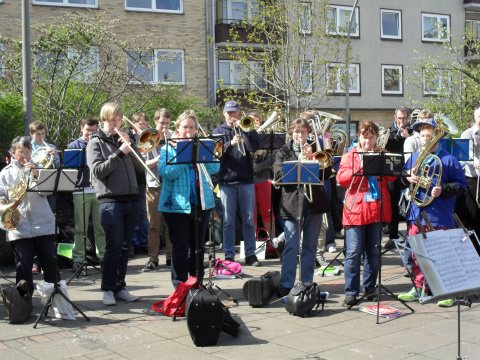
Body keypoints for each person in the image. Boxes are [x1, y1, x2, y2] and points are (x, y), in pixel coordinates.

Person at [398, 117, 466, 307]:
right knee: (417, 253)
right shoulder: (413, 158)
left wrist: (442, 190)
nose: (426, 139)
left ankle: (445, 290)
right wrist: (407, 178)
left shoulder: (449, 159)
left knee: (441, 253)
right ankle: (420, 286)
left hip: (439, 215)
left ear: (437, 138)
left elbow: (461, 186)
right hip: (416, 213)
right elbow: (402, 181)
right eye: (423, 136)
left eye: (429, 136)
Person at [87, 102, 145, 305]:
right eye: (113, 120)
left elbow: (140, 169)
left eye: (119, 120)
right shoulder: (96, 142)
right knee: (113, 248)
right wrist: (120, 152)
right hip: (111, 201)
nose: (116, 123)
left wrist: (134, 149)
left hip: (131, 199)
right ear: (104, 120)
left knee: (124, 247)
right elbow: (98, 171)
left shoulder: (123, 139)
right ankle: (108, 289)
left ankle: (120, 286)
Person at [337, 120, 396, 306]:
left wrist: (382, 161)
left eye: (371, 137)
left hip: (375, 209)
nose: (368, 141)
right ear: (359, 137)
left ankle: (369, 288)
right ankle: (351, 291)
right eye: (365, 137)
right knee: (353, 252)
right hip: (355, 210)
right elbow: (341, 179)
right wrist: (360, 167)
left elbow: (393, 175)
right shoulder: (350, 155)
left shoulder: (382, 154)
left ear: (376, 138)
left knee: (373, 251)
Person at [158, 110, 220, 287]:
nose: (188, 131)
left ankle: (197, 283)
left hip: (201, 203)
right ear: (178, 127)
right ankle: (180, 286)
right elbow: (166, 173)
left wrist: (205, 152)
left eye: (192, 127)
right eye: (185, 127)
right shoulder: (168, 148)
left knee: (198, 247)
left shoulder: (201, 145)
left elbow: (214, 168)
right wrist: (184, 156)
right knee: (180, 248)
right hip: (176, 205)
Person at [274, 118, 331, 297]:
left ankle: (307, 282)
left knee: (310, 245)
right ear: (291, 133)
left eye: (303, 132)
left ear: (309, 134)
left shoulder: (316, 150)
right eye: (297, 132)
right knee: (291, 245)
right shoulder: (283, 151)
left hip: (314, 203)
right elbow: (278, 175)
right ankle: (286, 283)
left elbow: (327, 174)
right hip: (292, 203)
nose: (300, 135)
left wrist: (312, 157)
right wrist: (299, 162)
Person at [0, 136, 58, 295]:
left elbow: (47, 192)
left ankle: (55, 299)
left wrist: (36, 173)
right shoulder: (6, 173)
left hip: (43, 224)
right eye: (21, 152)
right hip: (19, 225)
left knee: (50, 263)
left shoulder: (40, 168)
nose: (25, 156)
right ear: (13, 153)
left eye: (28, 152)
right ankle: (24, 302)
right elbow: (1, 197)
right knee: (23, 266)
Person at [212, 101, 262, 266]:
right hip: (227, 180)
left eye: (235, 112)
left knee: (248, 219)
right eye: (229, 113)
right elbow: (215, 153)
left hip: (246, 179)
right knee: (228, 221)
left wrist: (245, 131)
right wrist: (229, 144)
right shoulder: (218, 132)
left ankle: (250, 254)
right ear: (224, 113)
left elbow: (254, 147)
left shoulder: (248, 127)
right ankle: (229, 254)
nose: (232, 116)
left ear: (239, 113)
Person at [69, 117, 106, 272]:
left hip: (98, 190)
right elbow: (70, 169)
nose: (90, 133)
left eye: (93, 130)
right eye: (87, 130)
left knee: (101, 226)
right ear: (82, 128)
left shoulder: (100, 144)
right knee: (80, 227)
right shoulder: (74, 145)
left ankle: (104, 257)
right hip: (80, 190)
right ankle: (78, 259)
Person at [142, 108, 173, 271]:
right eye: (162, 123)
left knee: (171, 224)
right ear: (155, 122)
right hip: (153, 186)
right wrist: (158, 158)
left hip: (170, 185)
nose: (165, 127)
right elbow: (142, 164)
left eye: (167, 123)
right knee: (154, 225)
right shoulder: (147, 138)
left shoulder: (173, 136)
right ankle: (153, 258)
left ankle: (171, 257)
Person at [384, 106, 412, 250]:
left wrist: (409, 138)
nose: (401, 121)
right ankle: (393, 236)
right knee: (393, 204)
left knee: (411, 205)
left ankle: (411, 236)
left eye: (404, 118)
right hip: (393, 171)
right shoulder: (388, 131)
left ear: (408, 118)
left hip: (409, 171)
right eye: (399, 118)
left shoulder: (413, 132)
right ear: (395, 117)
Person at [125, 112, 149, 256]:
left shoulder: (146, 136)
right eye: (141, 124)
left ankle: (144, 244)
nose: (144, 127)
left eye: (146, 124)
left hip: (142, 179)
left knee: (142, 214)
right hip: (130, 180)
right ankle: (132, 245)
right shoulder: (126, 136)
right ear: (133, 123)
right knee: (132, 215)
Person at [249, 111, 276, 239]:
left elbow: (273, 157)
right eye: (250, 120)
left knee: (267, 211)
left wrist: (258, 166)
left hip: (263, 179)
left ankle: (273, 242)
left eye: (256, 120)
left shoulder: (266, 137)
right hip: (248, 180)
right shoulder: (243, 136)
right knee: (251, 213)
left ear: (260, 122)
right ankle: (252, 244)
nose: (254, 123)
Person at [458, 104, 480, 244]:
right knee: (473, 216)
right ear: (475, 116)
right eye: (479, 117)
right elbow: (467, 154)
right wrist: (475, 161)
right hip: (473, 179)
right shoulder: (467, 134)